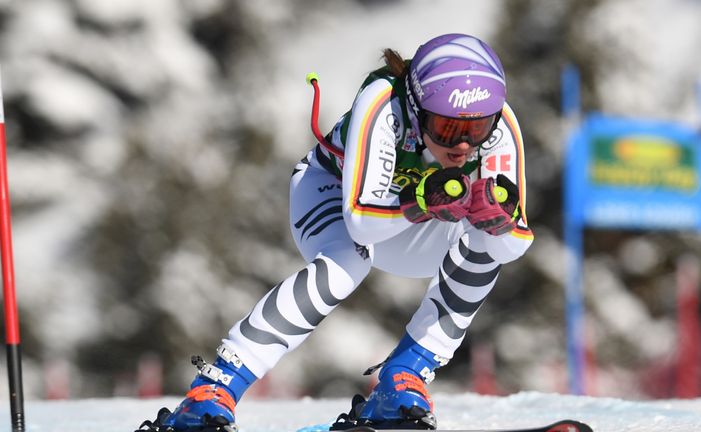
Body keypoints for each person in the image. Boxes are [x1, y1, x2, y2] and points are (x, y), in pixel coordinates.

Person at [137, 33, 533, 432]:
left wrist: (497, 223)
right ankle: (216, 386)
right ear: (416, 107)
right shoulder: (383, 103)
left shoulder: (503, 128)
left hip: (408, 222)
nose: (464, 145)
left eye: (478, 128)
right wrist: (422, 203)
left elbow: (514, 245)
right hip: (329, 194)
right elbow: (361, 220)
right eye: (447, 128)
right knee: (348, 261)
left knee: (485, 245)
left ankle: (405, 376)